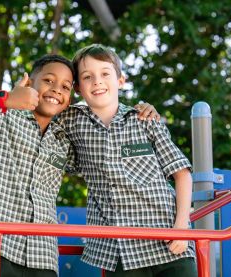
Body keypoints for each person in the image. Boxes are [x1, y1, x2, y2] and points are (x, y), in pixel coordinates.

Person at [0, 54, 159, 277]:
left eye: (65, 86)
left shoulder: (63, 140)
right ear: (30, 82)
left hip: (42, 255)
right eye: (48, 81)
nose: (56, 89)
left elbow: (106, 152)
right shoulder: (3, 118)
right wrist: (6, 99)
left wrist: (136, 113)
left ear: (70, 98)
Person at [59, 44, 197, 276]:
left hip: (168, 242)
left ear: (120, 80)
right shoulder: (71, 121)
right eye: (87, 77)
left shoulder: (144, 119)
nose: (97, 81)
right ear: (78, 88)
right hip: (121, 251)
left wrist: (181, 228)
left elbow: (182, 174)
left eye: (105, 73)